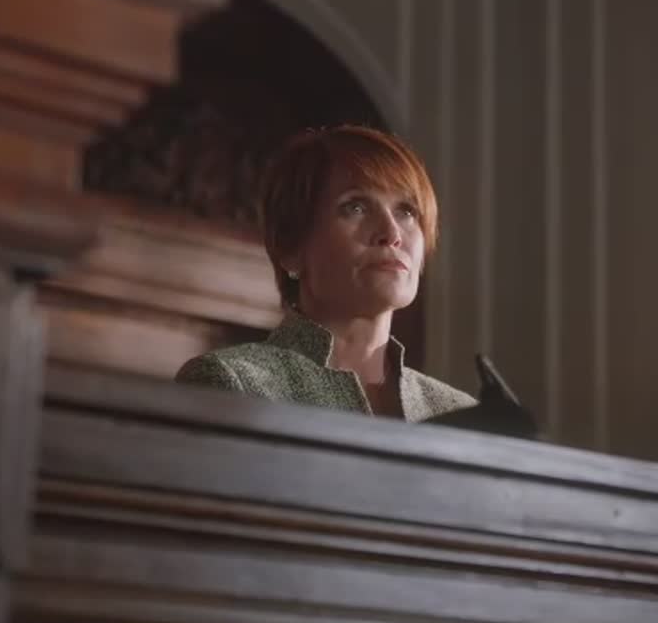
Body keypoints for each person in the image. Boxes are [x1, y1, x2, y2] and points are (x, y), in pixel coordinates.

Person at [175, 125, 477, 420]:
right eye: (355, 207)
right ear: (290, 248)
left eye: (407, 211)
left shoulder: (461, 414)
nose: (391, 233)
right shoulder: (231, 383)